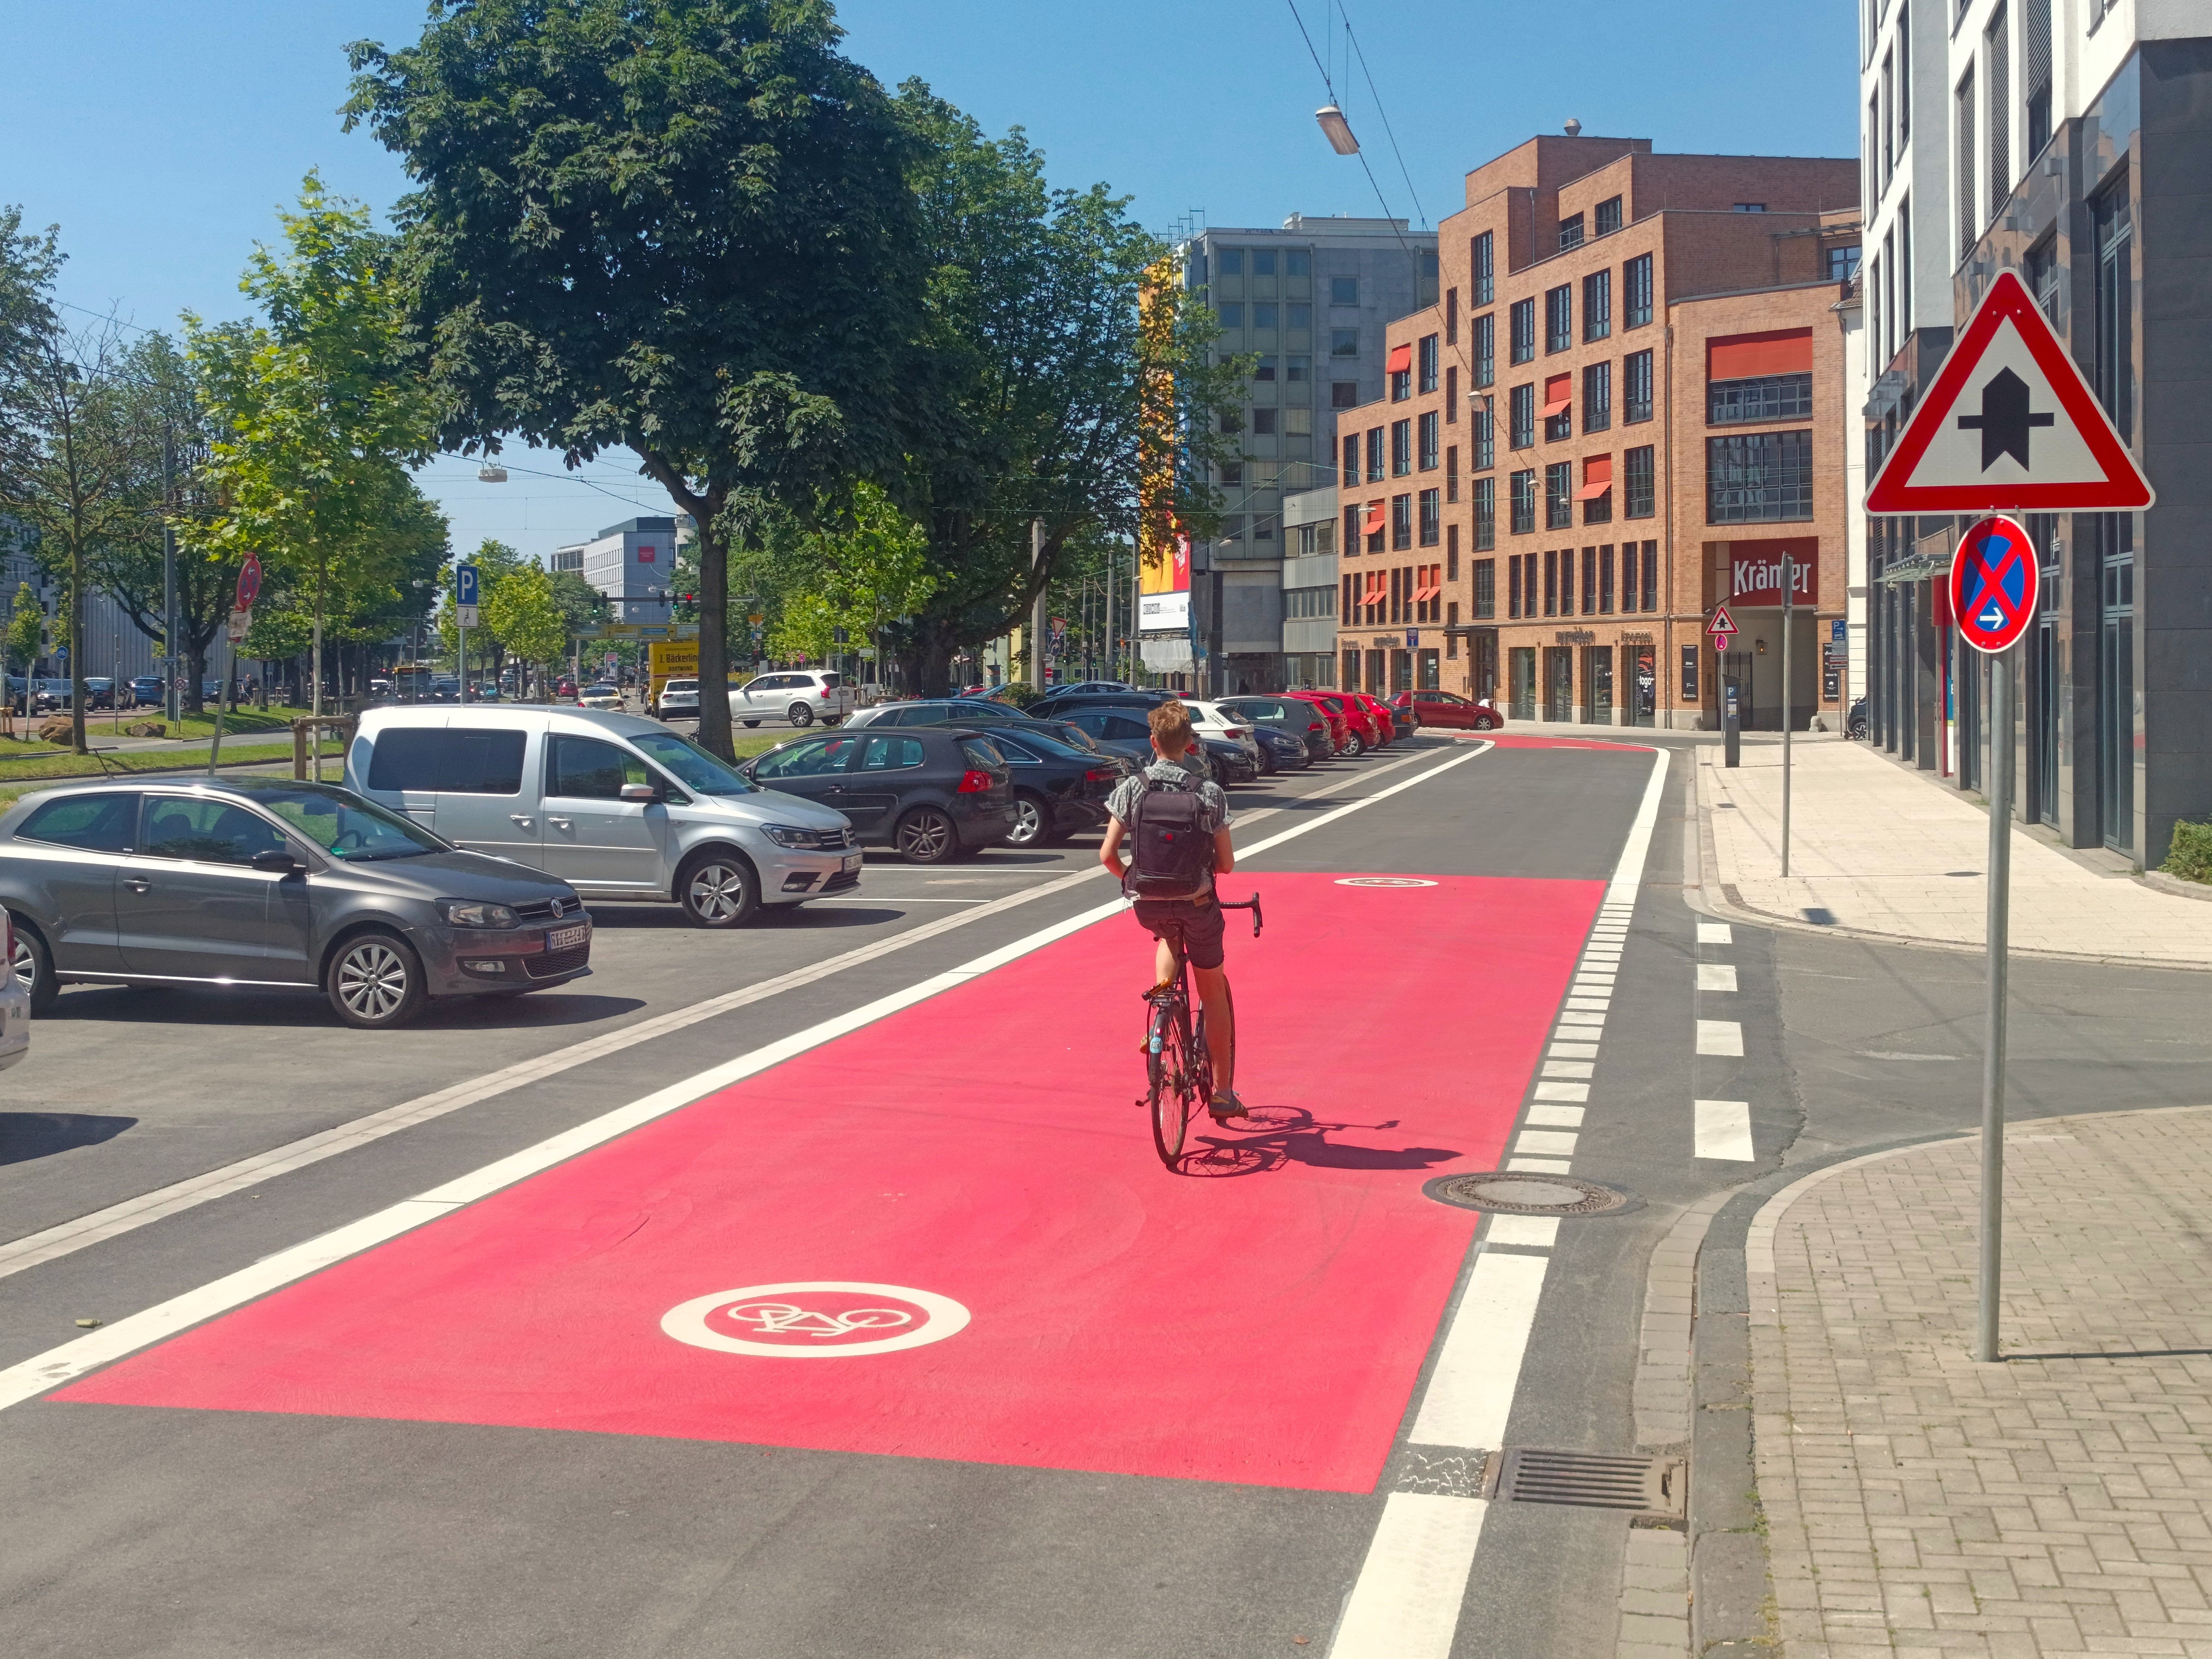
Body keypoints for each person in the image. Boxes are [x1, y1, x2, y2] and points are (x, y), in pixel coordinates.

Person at [1099, 701, 1245, 1120]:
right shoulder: (1208, 793)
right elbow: (1226, 865)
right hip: (1198, 903)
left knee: (1165, 932)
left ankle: (1161, 1007)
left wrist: (1134, 880)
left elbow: (1107, 855)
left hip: (1149, 903)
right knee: (1212, 992)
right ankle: (1222, 1092)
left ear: (1153, 742)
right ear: (1190, 744)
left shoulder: (1133, 788)